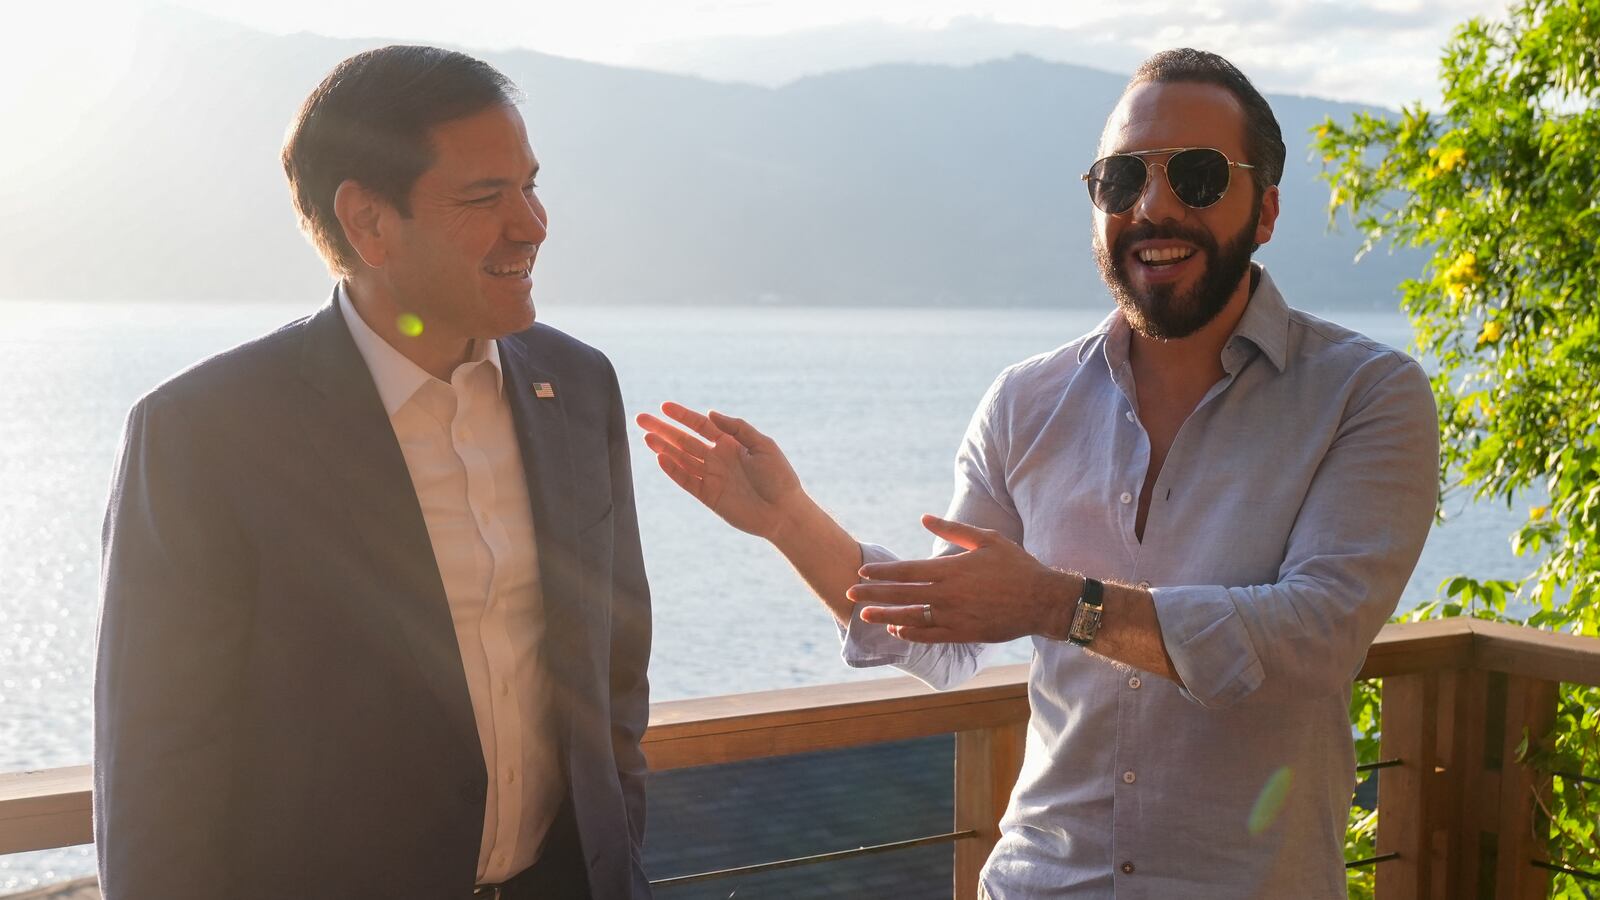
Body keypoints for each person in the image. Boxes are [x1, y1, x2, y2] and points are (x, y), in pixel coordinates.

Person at [637, 48, 1436, 899]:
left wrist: (1063, 606)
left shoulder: (1366, 395)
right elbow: (941, 623)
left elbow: (1315, 640)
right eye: (1120, 180)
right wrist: (787, 518)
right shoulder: (1027, 401)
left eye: (1198, 177)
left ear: (1266, 209)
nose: (1154, 206)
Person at [94, 46, 651, 900]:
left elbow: (615, 676)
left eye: (531, 185)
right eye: (485, 197)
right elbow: (157, 767)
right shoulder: (202, 436)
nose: (532, 223)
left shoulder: (577, 387)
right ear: (369, 222)